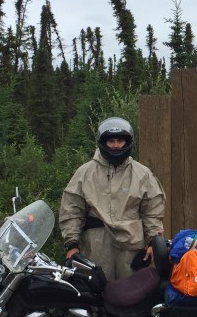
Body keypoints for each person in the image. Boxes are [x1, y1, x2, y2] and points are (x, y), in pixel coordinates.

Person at [59, 117, 166, 283]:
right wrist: (71, 245)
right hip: (95, 245)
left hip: (132, 246)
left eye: (120, 141)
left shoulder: (142, 174)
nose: (116, 145)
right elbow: (71, 209)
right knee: (96, 291)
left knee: (133, 292)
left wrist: (153, 242)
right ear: (103, 142)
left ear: (128, 142)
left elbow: (153, 211)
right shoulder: (85, 173)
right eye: (111, 141)